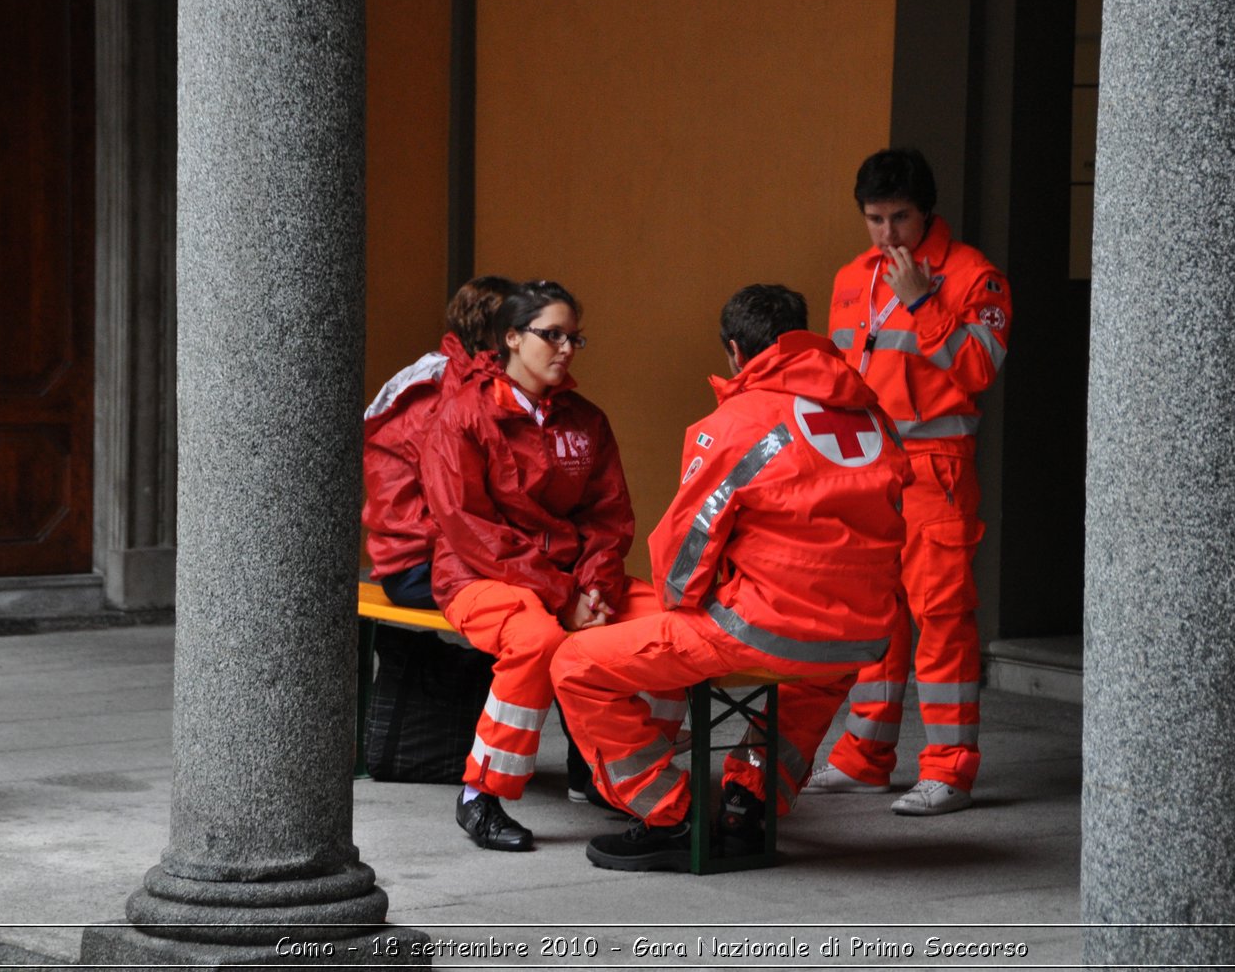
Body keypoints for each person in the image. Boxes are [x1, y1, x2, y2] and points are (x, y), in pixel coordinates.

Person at [550, 284, 912, 871]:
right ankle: (748, 810)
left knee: (576, 665)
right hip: (859, 638)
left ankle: (672, 816)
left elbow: (690, 540)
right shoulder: (875, 418)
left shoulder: (738, 420)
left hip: (756, 626)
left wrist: (678, 604)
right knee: (808, 686)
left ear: (736, 352)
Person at [421, 280, 681, 852]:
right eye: (552, 335)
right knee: (537, 639)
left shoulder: (586, 420)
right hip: (477, 577)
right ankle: (480, 797)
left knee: (671, 624)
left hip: (575, 581)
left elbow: (609, 517)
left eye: (574, 337)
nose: (566, 348)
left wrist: (597, 587)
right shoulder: (463, 416)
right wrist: (563, 595)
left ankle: (632, 781)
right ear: (511, 338)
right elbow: (466, 524)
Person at [807, 147, 1012, 816]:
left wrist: (924, 301)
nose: (888, 234)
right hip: (869, 473)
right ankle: (864, 759)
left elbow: (979, 369)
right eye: (874, 219)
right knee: (876, 619)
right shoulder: (849, 276)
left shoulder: (974, 275)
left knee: (942, 619)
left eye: (900, 217)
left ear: (928, 212)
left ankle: (949, 770)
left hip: (938, 471)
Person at [362, 276, 517, 608]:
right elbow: (448, 498)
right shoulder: (445, 387)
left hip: (422, 555)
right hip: (419, 564)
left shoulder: (448, 374)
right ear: (493, 330)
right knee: (532, 594)